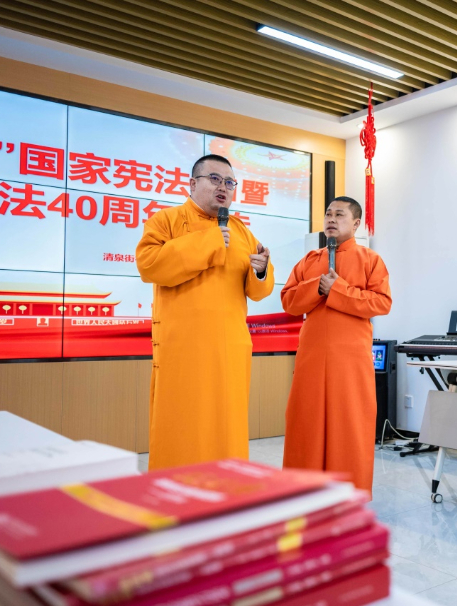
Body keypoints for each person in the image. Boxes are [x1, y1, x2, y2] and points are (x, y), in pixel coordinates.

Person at [136, 154, 274, 470]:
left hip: (230, 351)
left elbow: (257, 291)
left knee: (227, 428)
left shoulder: (242, 232)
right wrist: (209, 241)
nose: (223, 187)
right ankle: (178, 491)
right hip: (184, 350)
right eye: (214, 179)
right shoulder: (166, 220)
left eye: (229, 182)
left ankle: (227, 488)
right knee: (183, 426)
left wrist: (261, 270)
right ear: (192, 183)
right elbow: (149, 265)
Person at [281, 197, 392, 493]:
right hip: (312, 355)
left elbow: (381, 303)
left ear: (356, 224)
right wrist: (317, 287)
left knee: (350, 421)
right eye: (328, 213)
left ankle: (347, 491)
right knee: (306, 420)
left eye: (339, 214)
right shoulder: (309, 260)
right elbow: (289, 302)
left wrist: (338, 289)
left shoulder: (370, 259)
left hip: (350, 357)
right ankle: (302, 490)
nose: (331, 219)